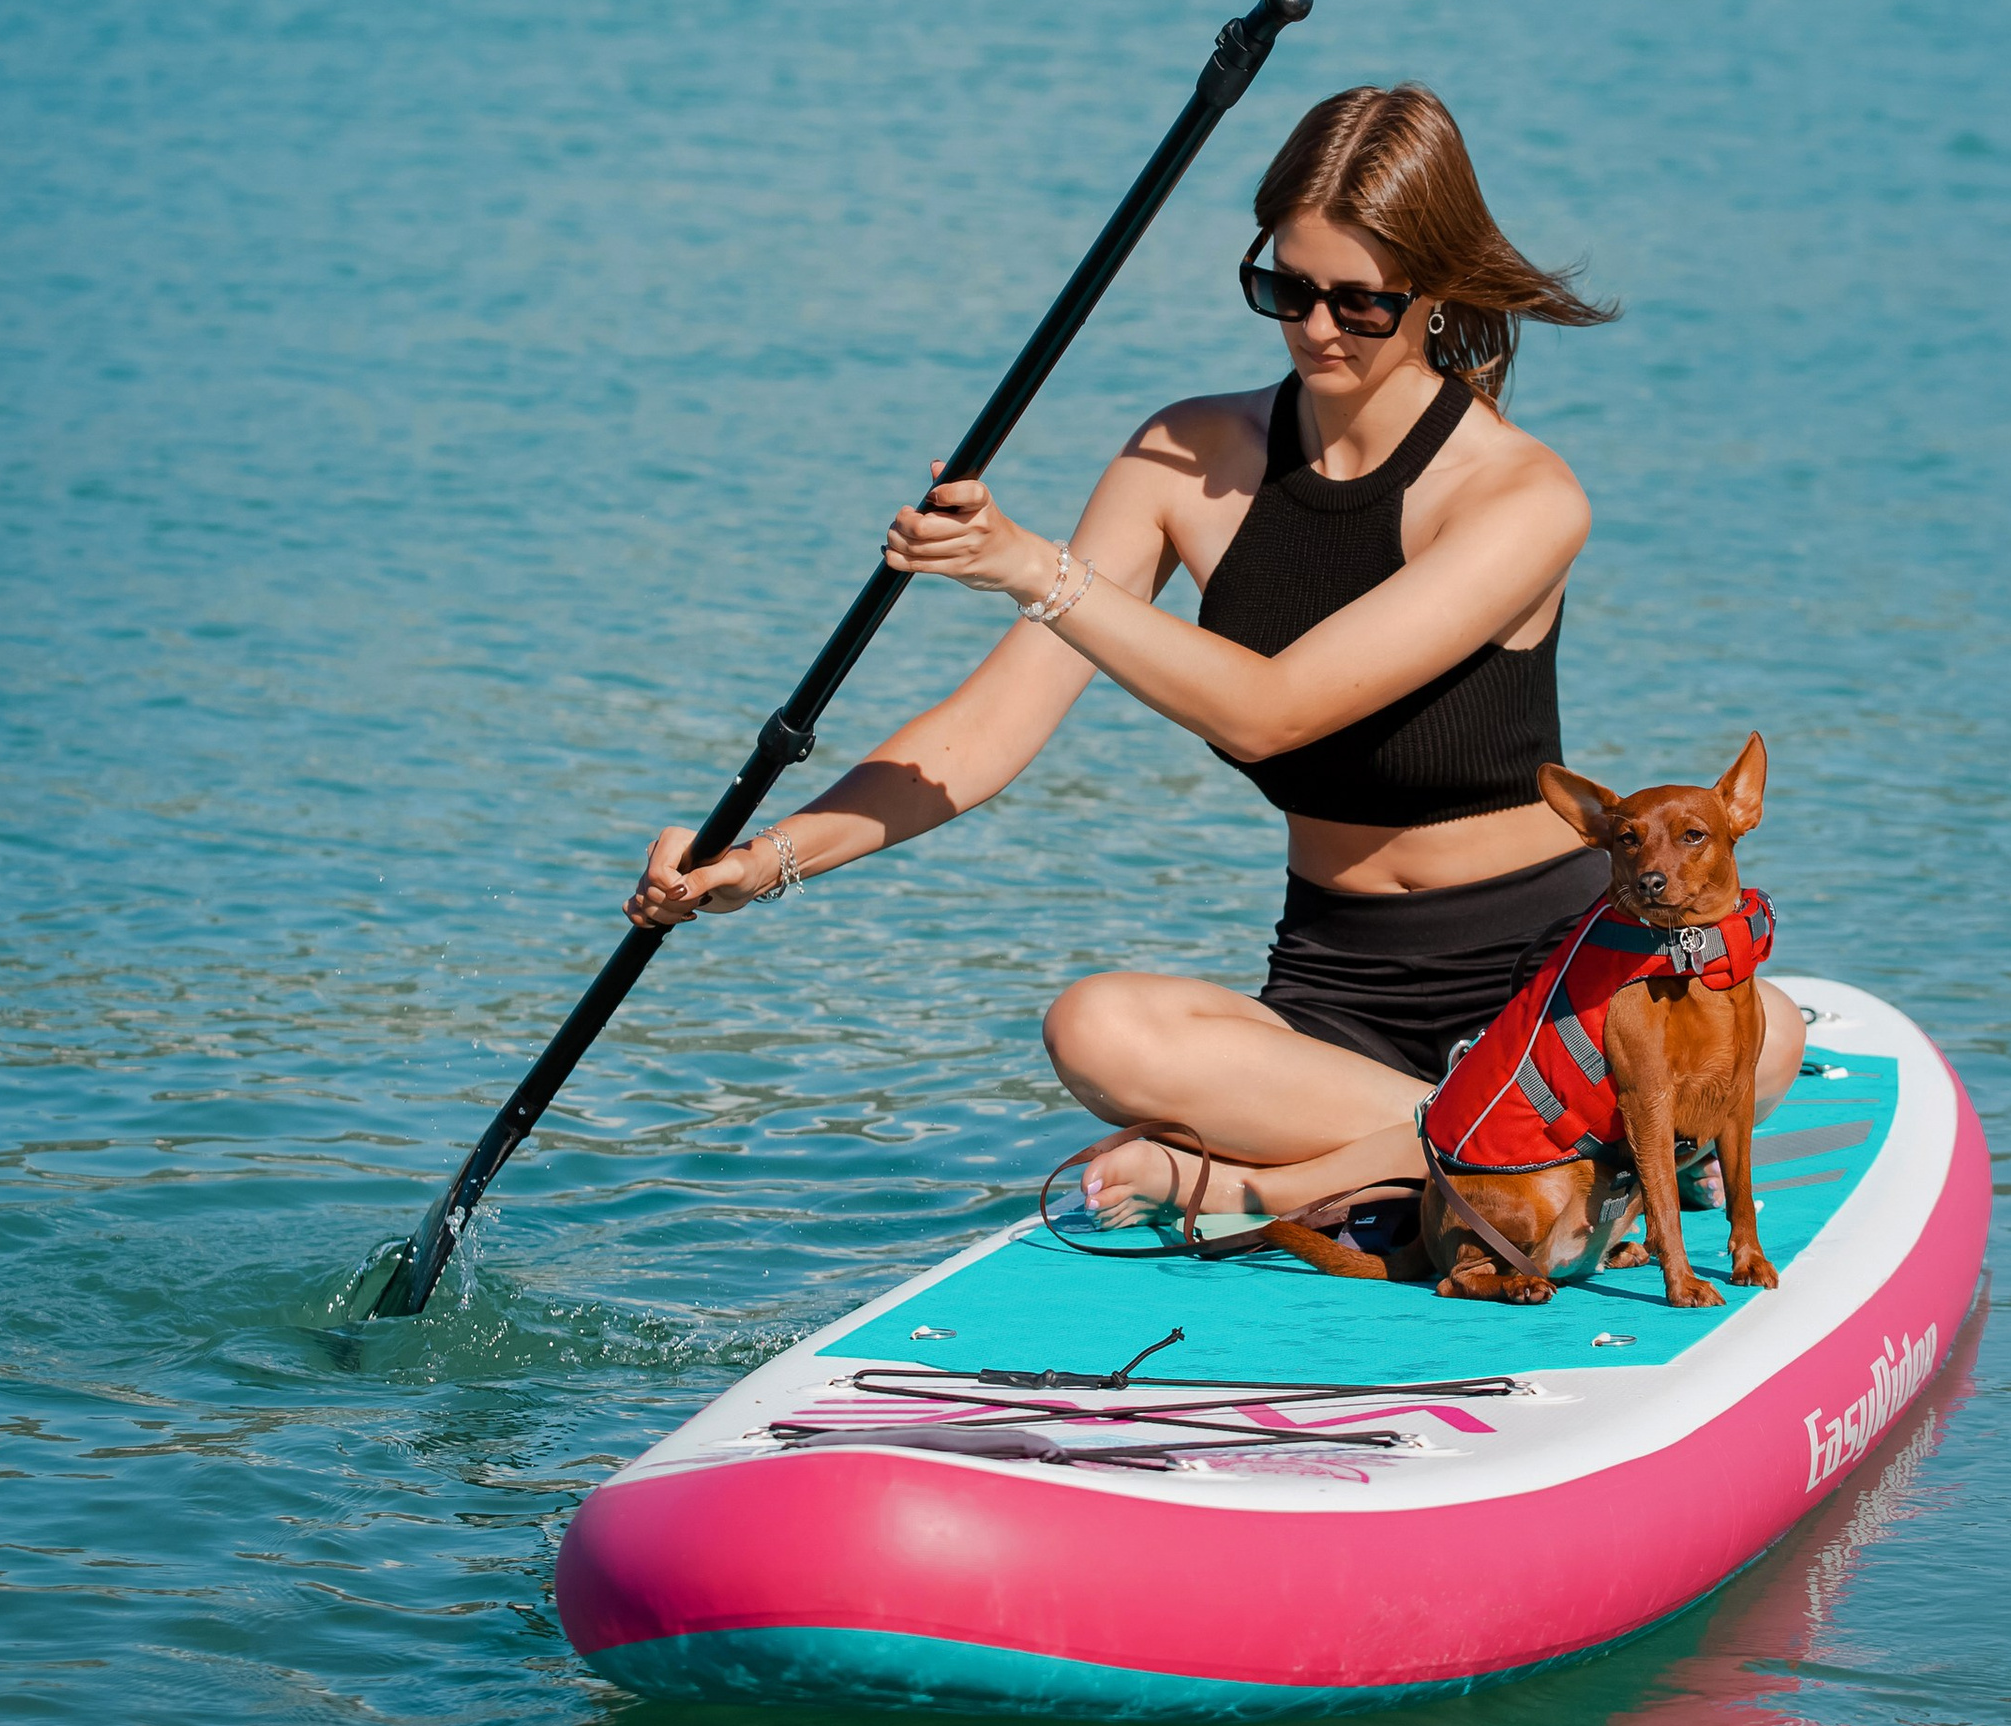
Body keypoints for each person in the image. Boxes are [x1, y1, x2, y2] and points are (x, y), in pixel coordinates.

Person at [628, 82, 1805, 1223]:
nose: (1314, 327)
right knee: (1097, 1029)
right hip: (1336, 984)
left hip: (1550, 960)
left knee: (1773, 1037)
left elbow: (1272, 712)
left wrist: (1039, 570)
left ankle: (1292, 1179)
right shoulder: (1186, 454)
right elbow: (991, 725)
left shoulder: (1519, 494)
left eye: (1361, 302)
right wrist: (769, 858)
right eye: (1283, 288)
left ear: (1438, 291)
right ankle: (1529, 1149)